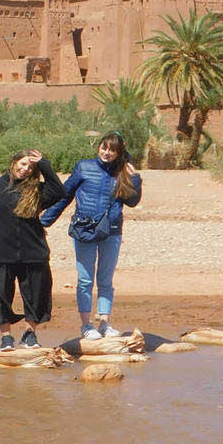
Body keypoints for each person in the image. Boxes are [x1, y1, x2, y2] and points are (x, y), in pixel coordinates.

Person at [40, 132, 142, 340]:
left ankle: (104, 323)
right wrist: (43, 221)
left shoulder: (122, 172)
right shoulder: (83, 167)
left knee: (105, 279)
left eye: (113, 150)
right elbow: (65, 195)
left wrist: (136, 180)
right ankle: (86, 325)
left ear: (119, 152)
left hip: (111, 231)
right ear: (98, 148)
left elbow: (132, 202)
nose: (107, 153)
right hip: (84, 230)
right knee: (85, 280)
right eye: (104, 148)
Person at [0, 150, 65, 351]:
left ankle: (29, 334)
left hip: (33, 253)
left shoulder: (36, 190)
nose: (25, 169)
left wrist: (44, 164)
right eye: (23, 164)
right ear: (14, 161)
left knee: (36, 294)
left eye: (30, 167)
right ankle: (6, 337)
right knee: (2, 296)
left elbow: (59, 191)